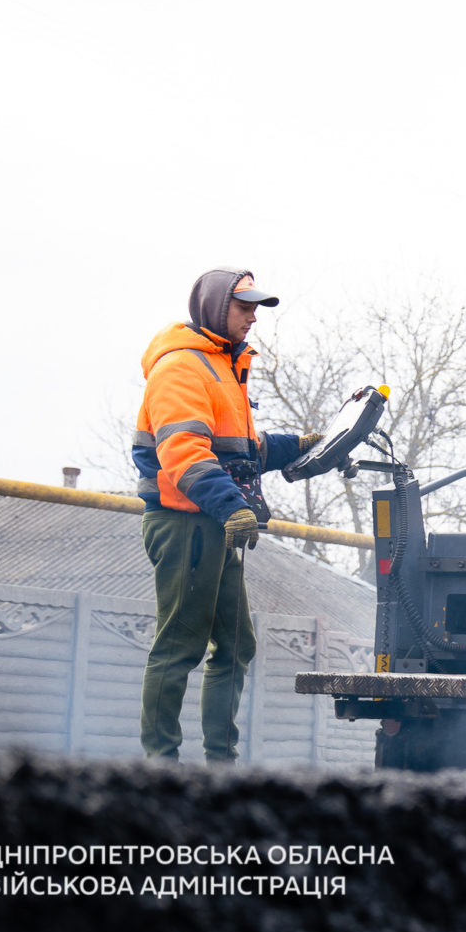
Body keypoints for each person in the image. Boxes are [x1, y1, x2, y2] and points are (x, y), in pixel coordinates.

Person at [133, 269, 320, 762]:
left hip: (215, 522)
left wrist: (295, 446)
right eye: (244, 307)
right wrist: (234, 508)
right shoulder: (181, 367)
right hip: (185, 522)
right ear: (215, 308)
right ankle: (161, 765)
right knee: (178, 648)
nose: (253, 317)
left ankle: (220, 762)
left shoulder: (224, 367)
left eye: (256, 307)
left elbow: (238, 450)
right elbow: (184, 450)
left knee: (236, 648)